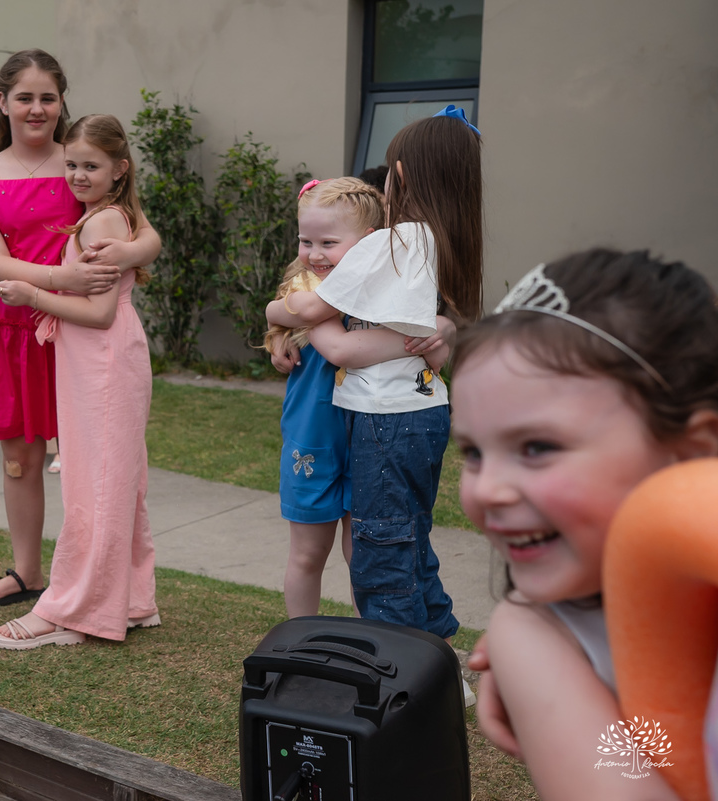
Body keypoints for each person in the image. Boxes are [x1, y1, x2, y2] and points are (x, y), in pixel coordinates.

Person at [451, 250, 718, 799]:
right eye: (472, 452)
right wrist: (532, 651)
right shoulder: (548, 637)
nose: (486, 490)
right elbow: (656, 753)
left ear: (692, 452)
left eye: (538, 446)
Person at [265, 108, 482, 640]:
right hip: (423, 411)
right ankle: (434, 654)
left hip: (386, 418)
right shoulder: (445, 242)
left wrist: (279, 311)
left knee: (381, 556)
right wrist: (437, 333)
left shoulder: (395, 242)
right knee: (407, 542)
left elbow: (324, 328)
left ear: (400, 176)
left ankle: (402, 670)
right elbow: (436, 346)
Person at [0, 49, 161, 610]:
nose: (36, 108)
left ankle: (95, 576)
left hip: (78, 333)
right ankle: (27, 573)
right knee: (20, 458)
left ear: (61, 102)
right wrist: (63, 274)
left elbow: (148, 236)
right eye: (24, 97)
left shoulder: (79, 159)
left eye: (48, 97)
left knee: (86, 457)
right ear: (2, 102)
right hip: (9, 328)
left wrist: (126, 252)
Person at [0, 113, 156, 648]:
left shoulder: (101, 223)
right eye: (72, 165)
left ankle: (73, 611)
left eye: (91, 165)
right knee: (112, 482)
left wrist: (32, 295)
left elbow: (101, 311)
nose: (78, 175)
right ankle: (129, 601)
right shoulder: (105, 216)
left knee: (96, 486)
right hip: (97, 361)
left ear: (119, 170)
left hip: (104, 360)